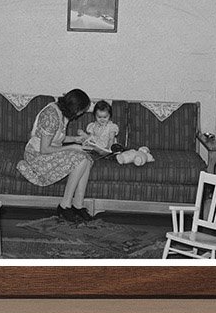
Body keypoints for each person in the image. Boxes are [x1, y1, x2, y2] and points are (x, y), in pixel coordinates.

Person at [17, 88, 96, 223]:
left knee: (87, 159)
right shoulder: (51, 115)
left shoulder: (61, 112)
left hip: (47, 151)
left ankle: (78, 205)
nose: (81, 114)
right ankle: (64, 206)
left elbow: (56, 139)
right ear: (74, 108)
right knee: (81, 160)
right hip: (37, 157)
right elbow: (44, 148)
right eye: (81, 110)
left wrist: (76, 139)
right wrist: (73, 147)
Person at [80, 100, 155, 167]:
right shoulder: (92, 126)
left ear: (110, 116)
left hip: (108, 147)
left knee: (115, 149)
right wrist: (85, 136)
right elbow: (91, 137)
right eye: (99, 117)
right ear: (95, 116)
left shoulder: (111, 127)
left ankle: (124, 156)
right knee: (88, 149)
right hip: (97, 147)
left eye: (105, 117)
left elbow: (111, 138)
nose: (102, 119)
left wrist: (108, 147)